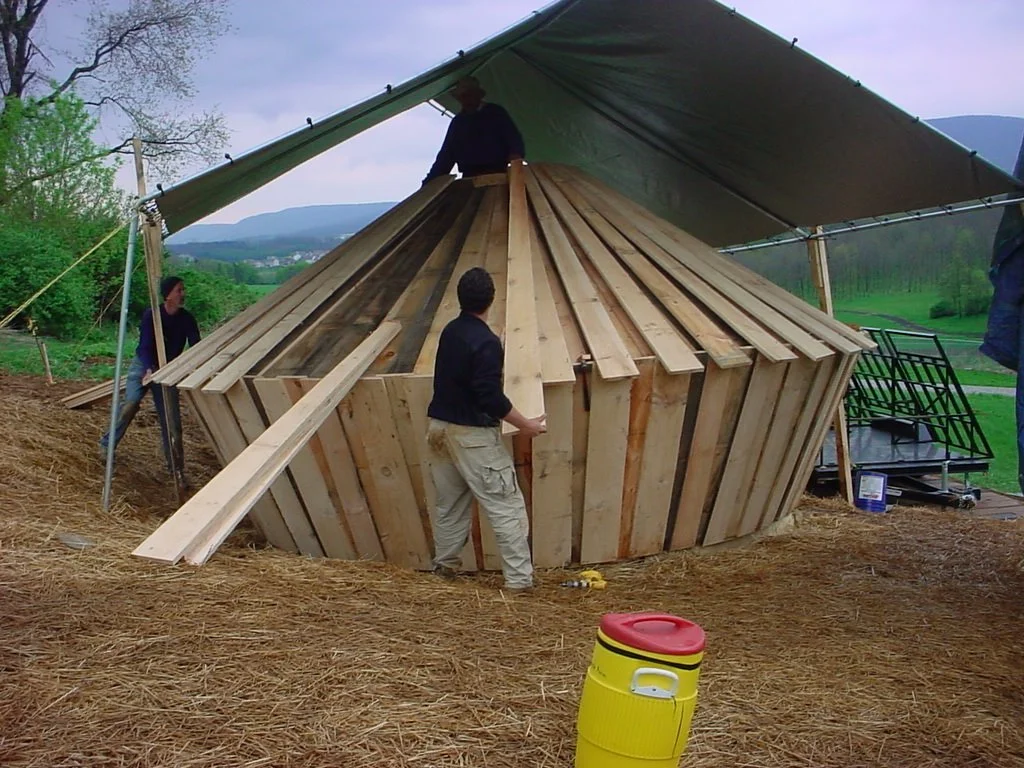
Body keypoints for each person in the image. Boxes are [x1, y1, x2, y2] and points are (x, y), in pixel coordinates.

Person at [425, 267, 546, 593]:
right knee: (505, 507)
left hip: (439, 429)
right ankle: (520, 583)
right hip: (473, 437)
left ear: (461, 299)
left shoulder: (452, 331)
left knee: (449, 506)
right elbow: (489, 396)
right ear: (491, 300)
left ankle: (444, 570)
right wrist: (527, 426)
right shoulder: (485, 342)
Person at [99, 275, 200, 480]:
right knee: (130, 405)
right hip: (144, 365)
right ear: (167, 295)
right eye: (179, 290)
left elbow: (195, 346)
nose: (183, 294)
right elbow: (144, 345)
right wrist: (147, 369)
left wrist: (191, 368)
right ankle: (107, 445)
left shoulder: (187, 319)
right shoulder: (151, 316)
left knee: (171, 421)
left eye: (183, 290)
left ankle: (176, 469)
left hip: (168, 369)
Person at [422, 75, 525, 184]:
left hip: (497, 175)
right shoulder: (458, 122)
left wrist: (515, 170)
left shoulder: (495, 113)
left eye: (469, 95)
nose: (466, 100)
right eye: (463, 97)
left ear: (478, 95)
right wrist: (429, 182)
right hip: (469, 178)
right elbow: (446, 156)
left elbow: (515, 143)